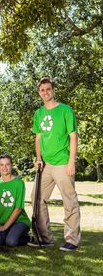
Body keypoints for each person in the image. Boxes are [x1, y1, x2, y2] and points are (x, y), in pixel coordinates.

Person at [28, 77, 81, 251]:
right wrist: (39, 158)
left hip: (63, 163)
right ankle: (45, 238)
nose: (45, 92)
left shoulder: (65, 110)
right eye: (42, 90)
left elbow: (73, 137)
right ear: (39, 93)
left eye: (48, 89)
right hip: (46, 165)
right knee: (37, 198)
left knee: (69, 200)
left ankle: (72, 239)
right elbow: (38, 138)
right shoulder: (38, 113)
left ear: (53, 90)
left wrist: (71, 161)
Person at [0, 153, 31, 247]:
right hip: (3, 221)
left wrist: (4, 227)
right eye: (2, 165)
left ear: (11, 165)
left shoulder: (19, 183)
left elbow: (18, 208)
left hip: (20, 221)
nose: (5, 167)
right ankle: (10, 233)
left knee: (11, 242)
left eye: (7, 164)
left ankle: (28, 237)